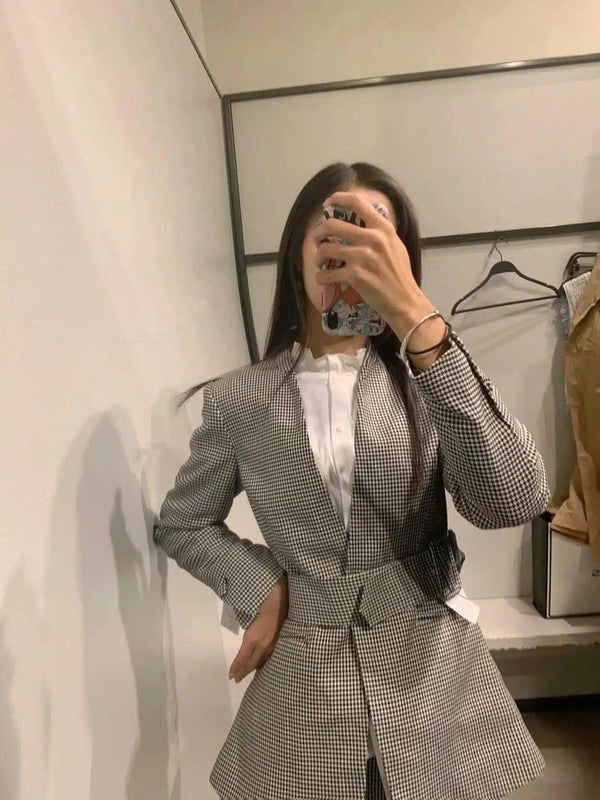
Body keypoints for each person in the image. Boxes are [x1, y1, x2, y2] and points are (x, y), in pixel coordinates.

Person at [153, 162, 550, 800]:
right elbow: (183, 522)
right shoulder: (240, 400)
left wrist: (420, 323)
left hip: (432, 673)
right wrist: (263, 587)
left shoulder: (433, 380)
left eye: (375, 239)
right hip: (307, 686)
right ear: (298, 256)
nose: (353, 256)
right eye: (335, 235)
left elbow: (511, 500)